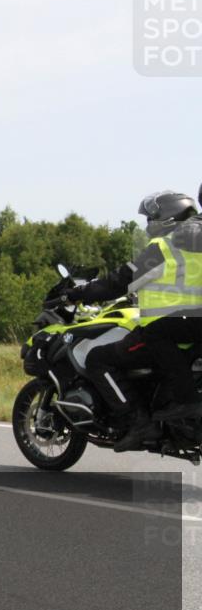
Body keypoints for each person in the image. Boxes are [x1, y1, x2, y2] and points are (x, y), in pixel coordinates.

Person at [62, 190, 201, 451]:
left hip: (166, 326)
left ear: (166, 219)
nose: (148, 226)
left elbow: (120, 281)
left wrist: (78, 293)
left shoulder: (164, 247)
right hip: (193, 327)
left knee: (98, 359)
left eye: (151, 219)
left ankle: (138, 421)